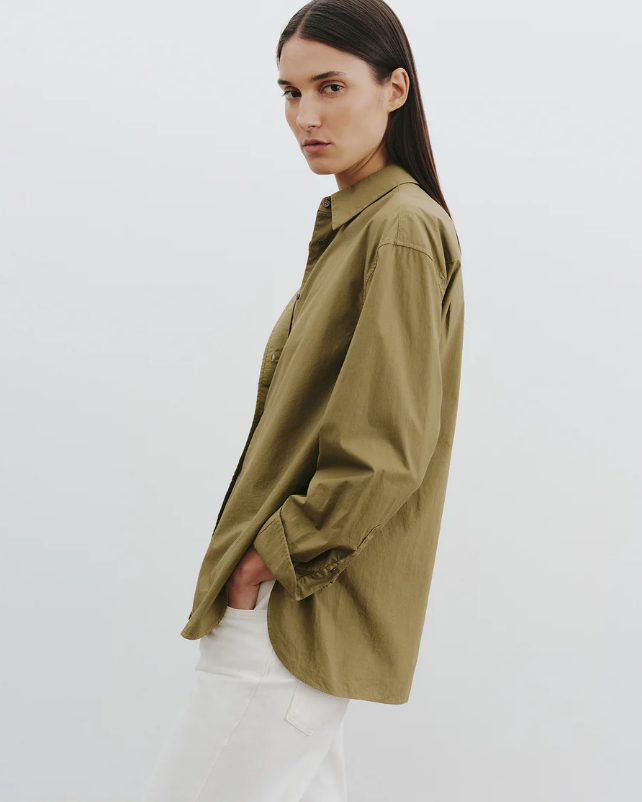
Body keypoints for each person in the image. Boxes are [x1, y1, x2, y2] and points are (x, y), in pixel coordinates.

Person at [141, 0, 464, 799]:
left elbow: (385, 448)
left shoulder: (398, 229)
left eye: (329, 87)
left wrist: (270, 562)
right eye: (289, 93)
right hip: (283, 615)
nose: (305, 116)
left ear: (395, 89)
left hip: (288, 618)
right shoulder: (356, 225)